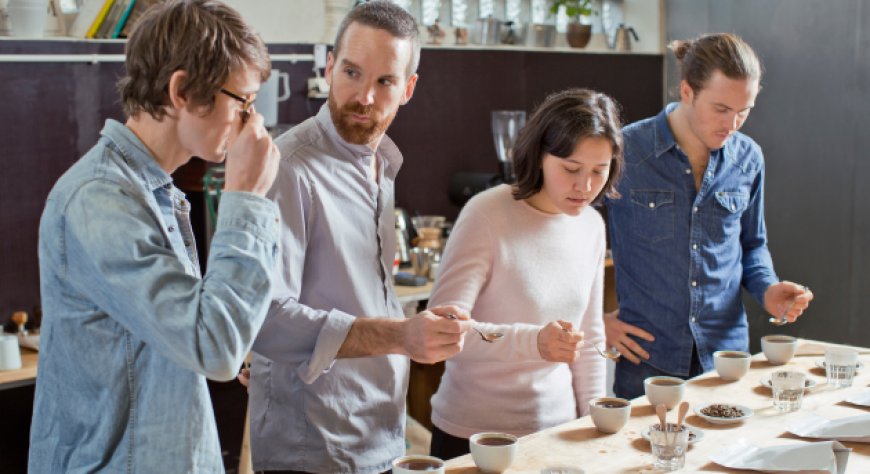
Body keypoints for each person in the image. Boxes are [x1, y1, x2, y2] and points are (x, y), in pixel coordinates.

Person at [28, 1, 281, 472]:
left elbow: (193, 338)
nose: (251, 121)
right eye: (242, 101)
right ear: (182, 90)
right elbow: (215, 348)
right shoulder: (100, 200)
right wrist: (247, 199)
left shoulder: (154, 192)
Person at [247, 2, 472, 472]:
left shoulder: (382, 161)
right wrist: (403, 335)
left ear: (407, 89)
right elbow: (267, 319)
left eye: (385, 81)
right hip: (312, 449)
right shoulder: (288, 167)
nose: (364, 96)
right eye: (351, 72)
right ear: (329, 68)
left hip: (379, 433)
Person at [603, 33, 814, 400]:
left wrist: (769, 290)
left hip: (727, 359)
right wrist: (595, 321)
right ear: (687, 92)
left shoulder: (749, 157)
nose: (733, 124)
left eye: (744, 111)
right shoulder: (626, 152)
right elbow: (575, 242)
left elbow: (752, 245)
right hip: (648, 360)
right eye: (721, 109)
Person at [427, 88, 623, 458]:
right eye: (570, 169)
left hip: (557, 432)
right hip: (473, 435)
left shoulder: (591, 226)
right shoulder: (487, 213)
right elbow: (442, 332)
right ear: (539, 156)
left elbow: (590, 333)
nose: (585, 186)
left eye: (600, 171)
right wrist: (534, 343)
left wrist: (595, 421)